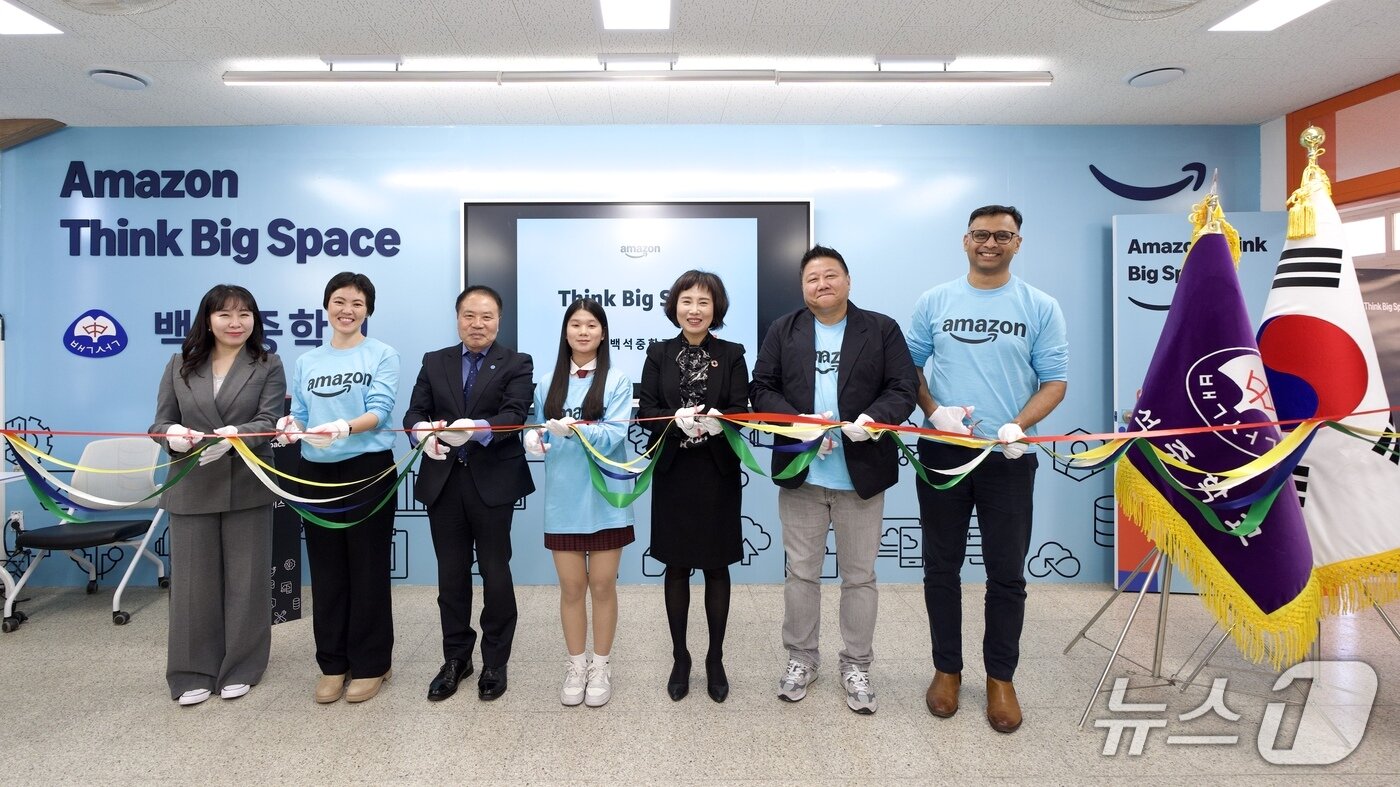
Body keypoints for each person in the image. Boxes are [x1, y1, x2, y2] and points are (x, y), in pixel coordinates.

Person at [908, 205, 1068, 733]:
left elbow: (1054, 382)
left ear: (1018, 243)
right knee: (941, 567)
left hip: (1008, 456)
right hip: (943, 453)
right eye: (981, 234)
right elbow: (907, 369)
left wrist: (1019, 424)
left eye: (1003, 235)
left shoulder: (1040, 306)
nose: (991, 243)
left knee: (1006, 573)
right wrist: (934, 412)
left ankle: (1001, 678)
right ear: (965, 241)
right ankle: (946, 670)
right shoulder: (934, 301)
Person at [750, 245, 918, 715]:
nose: (821, 284)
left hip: (860, 477)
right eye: (811, 279)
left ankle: (857, 664)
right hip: (802, 474)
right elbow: (761, 388)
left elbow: (902, 388)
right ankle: (801, 659)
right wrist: (798, 423)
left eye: (830, 276)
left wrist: (874, 418)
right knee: (801, 573)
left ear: (847, 280)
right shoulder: (784, 330)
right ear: (802, 288)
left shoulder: (881, 329)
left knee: (859, 577)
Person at [151, 284, 286, 706]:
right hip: (192, 486)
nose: (235, 323)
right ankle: (192, 670)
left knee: (247, 583)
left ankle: (242, 666)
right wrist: (171, 436)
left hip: (247, 483)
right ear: (207, 319)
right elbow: (160, 422)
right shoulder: (179, 365)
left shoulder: (267, 363)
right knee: (192, 585)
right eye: (225, 314)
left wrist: (237, 436)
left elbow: (268, 419)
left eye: (245, 314)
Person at [403, 285, 534, 703]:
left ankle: (495, 660)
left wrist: (472, 429)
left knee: (496, 573)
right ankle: (456, 658)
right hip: (444, 482)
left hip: (491, 482)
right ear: (457, 318)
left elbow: (514, 416)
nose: (478, 324)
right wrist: (421, 433)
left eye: (487, 317)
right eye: (470, 316)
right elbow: (414, 412)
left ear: (499, 320)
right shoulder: (434, 360)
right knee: (451, 575)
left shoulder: (516, 362)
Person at [276, 272, 400, 704]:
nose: (347, 310)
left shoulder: (382, 354)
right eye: (339, 301)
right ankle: (333, 663)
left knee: (367, 569)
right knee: (327, 572)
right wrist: (294, 428)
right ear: (327, 306)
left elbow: (381, 411)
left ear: (369, 310)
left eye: (358, 303)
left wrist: (346, 427)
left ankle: (371, 664)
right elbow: (305, 415)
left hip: (368, 470)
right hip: (317, 473)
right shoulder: (308, 361)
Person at [637, 271, 749, 703]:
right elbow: (647, 409)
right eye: (687, 300)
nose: (695, 309)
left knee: (717, 567)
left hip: (716, 472)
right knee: (677, 566)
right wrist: (673, 418)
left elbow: (741, 408)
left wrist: (720, 423)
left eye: (704, 302)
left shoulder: (733, 353)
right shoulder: (658, 353)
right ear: (674, 306)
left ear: (715, 309)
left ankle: (715, 657)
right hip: (673, 471)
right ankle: (680, 657)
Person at [523, 298, 634, 708]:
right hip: (563, 500)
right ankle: (575, 664)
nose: (583, 331)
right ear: (565, 332)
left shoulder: (618, 381)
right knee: (571, 587)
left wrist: (576, 431)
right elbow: (534, 430)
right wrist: (534, 439)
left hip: (606, 497)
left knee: (603, 585)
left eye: (591, 325)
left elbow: (615, 436)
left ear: (603, 333)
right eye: (575, 324)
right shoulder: (547, 382)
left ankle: (601, 665)